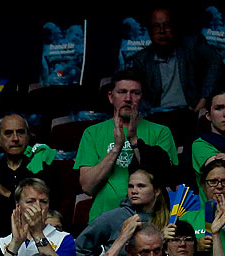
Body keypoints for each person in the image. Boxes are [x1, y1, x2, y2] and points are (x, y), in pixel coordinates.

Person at [77, 69, 180, 222]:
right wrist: (116, 149)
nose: (128, 98)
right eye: (122, 92)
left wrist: (134, 141)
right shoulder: (92, 133)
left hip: (150, 220)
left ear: (141, 97)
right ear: (111, 97)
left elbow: (165, 181)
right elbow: (87, 187)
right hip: (104, 220)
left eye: (135, 93)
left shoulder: (161, 132)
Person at [0, 114, 58, 240]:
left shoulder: (42, 169)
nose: (15, 138)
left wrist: (2, 191)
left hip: (38, 239)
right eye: (8, 133)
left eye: (21, 132)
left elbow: (50, 208)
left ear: (28, 137)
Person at [124, 8, 220, 111]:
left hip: (191, 112)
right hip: (157, 117)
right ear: (149, 31)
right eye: (156, 27)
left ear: (174, 27)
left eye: (167, 25)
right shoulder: (141, 60)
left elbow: (215, 63)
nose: (162, 31)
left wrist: (204, 99)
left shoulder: (191, 45)